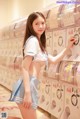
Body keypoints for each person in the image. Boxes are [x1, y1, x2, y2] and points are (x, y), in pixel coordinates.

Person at [8, 12, 75, 119]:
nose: (40, 26)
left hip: (31, 86)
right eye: (37, 23)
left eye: (43, 23)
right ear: (31, 25)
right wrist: (28, 93)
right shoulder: (33, 41)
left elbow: (53, 60)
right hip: (27, 87)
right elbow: (24, 67)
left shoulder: (39, 43)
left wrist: (67, 48)